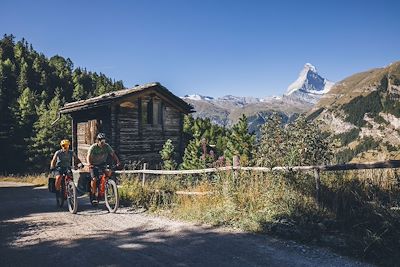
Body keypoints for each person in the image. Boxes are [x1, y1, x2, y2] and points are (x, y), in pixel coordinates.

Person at [87, 133, 121, 201]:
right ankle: (93, 195)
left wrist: (117, 161)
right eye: (101, 141)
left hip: (102, 163)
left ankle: (105, 188)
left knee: (109, 172)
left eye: (104, 141)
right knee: (94, 179)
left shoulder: (107, 146)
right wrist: (89, 164)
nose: (103, 142)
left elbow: (113, 154)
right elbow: (88, 156)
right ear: (98, 141)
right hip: (94, 164)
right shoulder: (93, 147)